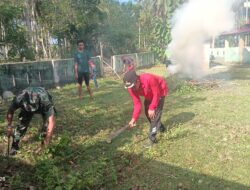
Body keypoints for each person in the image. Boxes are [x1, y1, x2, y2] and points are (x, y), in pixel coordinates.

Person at [6, 87, 56, 155]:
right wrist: (9, 126)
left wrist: (47, 140)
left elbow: (51, 121)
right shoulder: (19, 99)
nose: (32, 111)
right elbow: (10, 111)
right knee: (21, 127)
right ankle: (14, 147)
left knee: (46, 126)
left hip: (41, 106)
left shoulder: (45, 101)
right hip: (25, 108)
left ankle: (44, 147)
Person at [123, 70, 168, 144]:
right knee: (148, 114)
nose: (132, 89)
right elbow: (137, 103)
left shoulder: (149, 78)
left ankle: (152, 139)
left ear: (137, 81)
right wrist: (134, 118)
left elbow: (156, 94)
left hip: (160, 90)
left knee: (154, 115)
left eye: (133, 86)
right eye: (130, 87)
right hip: (149, 94)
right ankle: (160, 127)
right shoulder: (131, 87)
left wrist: (152, 107)